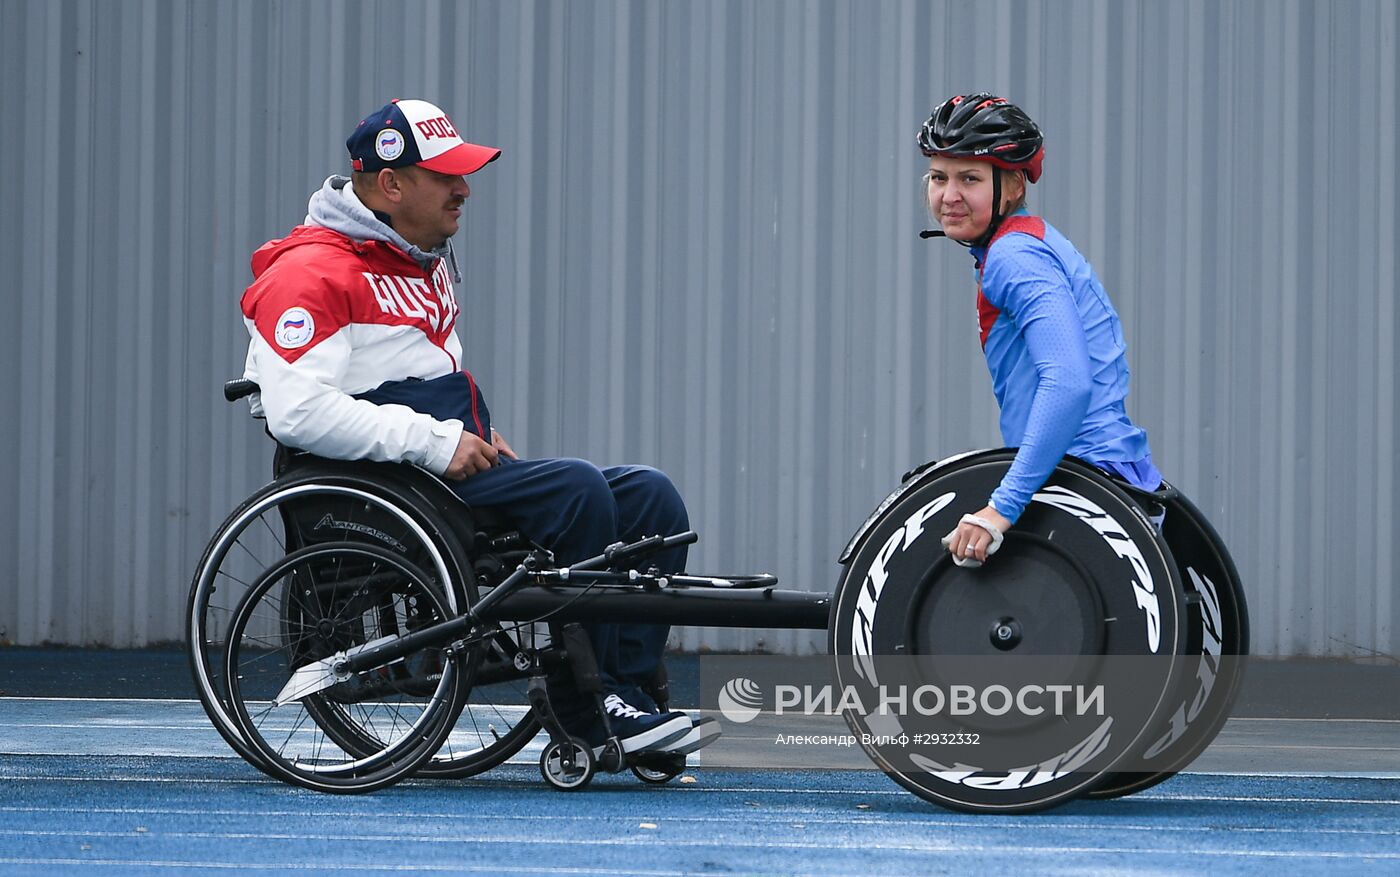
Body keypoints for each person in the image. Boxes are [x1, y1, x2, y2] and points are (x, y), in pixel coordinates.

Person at [239, 98, 719, 757]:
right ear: (392, 183)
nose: (464, 188)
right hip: (386, 485)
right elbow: (297, 412)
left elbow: (420, 372)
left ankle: (630, 694)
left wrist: (476, 435)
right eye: (446, 176)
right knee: (578, 491)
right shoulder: (308, 274)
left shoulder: (416, 256)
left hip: (436, 473)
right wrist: (438, 441)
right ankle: (589, 705)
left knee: (649, 495)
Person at [917, 93, 1162, 567]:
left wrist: (998, 510)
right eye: (939, 177)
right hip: (1097, 470)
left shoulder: (1015, 258)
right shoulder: (1023, 242)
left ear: (1010, 185)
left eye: (969, 178)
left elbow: (1068, 383)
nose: (948, 196)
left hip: (1084, 477)